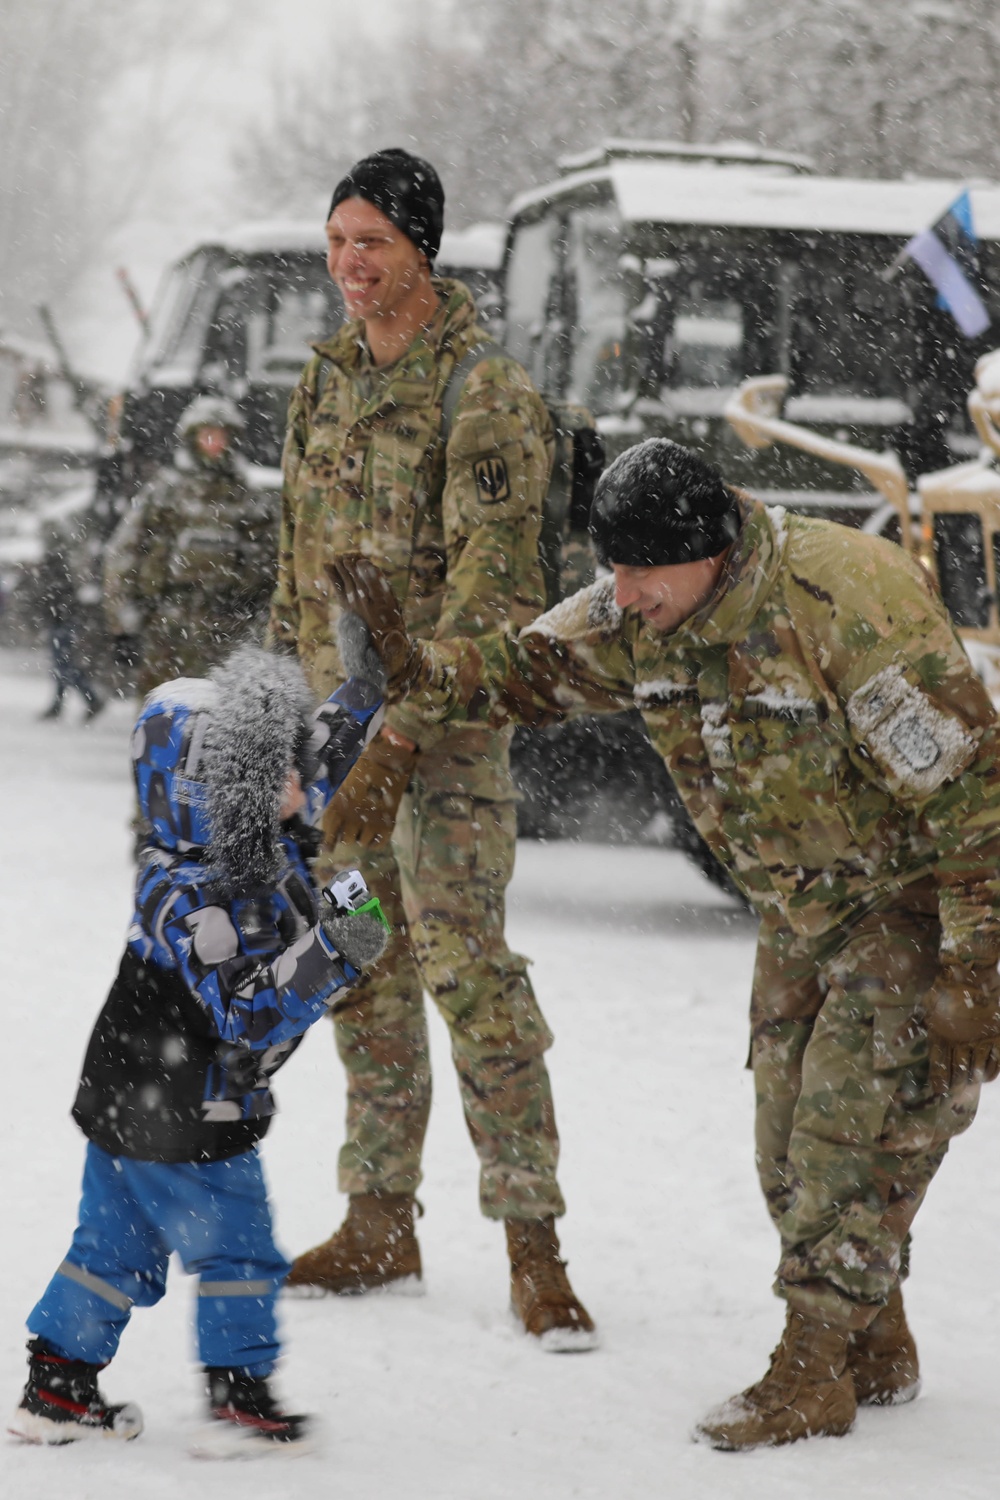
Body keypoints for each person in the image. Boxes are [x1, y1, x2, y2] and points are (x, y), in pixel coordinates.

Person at [327, 436, 1000, 1450]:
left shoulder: (844, 600)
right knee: (782, 1141)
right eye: (615, 569)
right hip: (797, 908)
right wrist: (419, 674)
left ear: (714, 549)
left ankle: (813, 1366)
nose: (626, 593)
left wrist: (975, 968)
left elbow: (975, 797)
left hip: (907, 898)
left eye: (645, 570)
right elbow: (524, 669)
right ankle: (875, 1336)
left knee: (847, 1128)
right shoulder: (640, 608)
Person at [267, 146, 595, 1348]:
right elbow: (295, 564)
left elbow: (496, 594)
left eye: (374, 245)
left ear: (423, 251)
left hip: (442, 747)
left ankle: (533, 1243)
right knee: (357, 963)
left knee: (471, 977)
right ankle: (378, 1219)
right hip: (337, 746)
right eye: (338, 242)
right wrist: (290, 720)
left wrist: (400, 733)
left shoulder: (485, 393)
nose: (351, 268)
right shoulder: (326, 381)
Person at [9, 631, 390, 1456]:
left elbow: (318, 760)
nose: (297, 783)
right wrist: (333, 952)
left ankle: (56, 1387)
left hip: (127, 1095)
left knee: (113, 1245)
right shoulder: (188, 896)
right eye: (268, 774)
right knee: (238, 1246)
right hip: (187, 1107)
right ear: (216, 793)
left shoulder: (244, 828)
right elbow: (249, 1014)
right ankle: (241, 1396)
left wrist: (371, 681)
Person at [103, 395, 278, 698]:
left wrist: (259, 618)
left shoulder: (249, 498)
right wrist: (123, 624)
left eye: (221, 435)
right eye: (206, 433)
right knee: (163, 719)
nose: (213, 442)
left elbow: (273, 563)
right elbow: (123, 554)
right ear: (192, 438)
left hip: (228, 629)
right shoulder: (164, 492)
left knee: (220, 721)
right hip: (168, 628)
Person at [36, 518, 105, 723]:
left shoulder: (55, 562)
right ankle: (62, 703)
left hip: (62, 621)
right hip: (63, 620)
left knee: (64, 666)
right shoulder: (61, 559)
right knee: (63, 665)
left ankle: (90, 699)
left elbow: (57, 594)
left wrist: (54, 614)